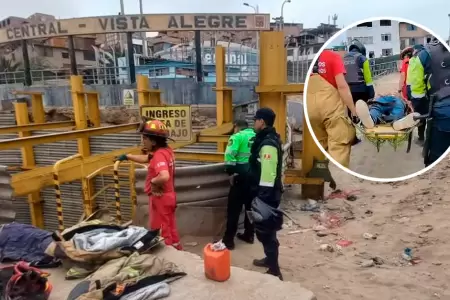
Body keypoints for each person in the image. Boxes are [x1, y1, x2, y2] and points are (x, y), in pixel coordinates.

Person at [116, 119, 182, 250]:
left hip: (160, 198)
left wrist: (153, 182)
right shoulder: (166, 151)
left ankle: (168, 256)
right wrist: (128, 156)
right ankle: (178, 252)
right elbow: (147, 158)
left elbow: (164, 176)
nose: (143, 141)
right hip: (169, 196)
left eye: (145, 138)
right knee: (170, 227)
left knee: (162, 230)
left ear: (153, 141)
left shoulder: (159, 155)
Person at [247, 107, 284, 280]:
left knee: (266, 230)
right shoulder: (266, 139)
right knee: (265, 230)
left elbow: (269, 174)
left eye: (255, 120)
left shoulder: (268, 143)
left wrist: (262, 198)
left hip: (267, 194)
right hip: (266, 192)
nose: (254, 123)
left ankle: (274, 270)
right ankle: (270, 260)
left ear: (262, 121)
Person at [307, 49, 357, 168]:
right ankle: (339, 180)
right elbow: (342, 86)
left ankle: (317, 180)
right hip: (330, 107)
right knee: (339, 142)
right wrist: (353, 110)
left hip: (310, 107)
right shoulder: (333, 57)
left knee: (318, 145)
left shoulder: (309, 58)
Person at [413, 38, 450, 166]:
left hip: (443, 109)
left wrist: (423, 112)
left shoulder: (425, 54)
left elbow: (417, 93)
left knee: (436, 159)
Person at [222, 120, 256, 250]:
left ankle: (229, 240)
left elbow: (230, 155)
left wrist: (230, 173)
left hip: (240, 177)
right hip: (254, 177)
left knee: (234, 210)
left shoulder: (237, 136)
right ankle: (250, 234)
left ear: (236, 127)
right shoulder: (256, 135)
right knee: (250, 208)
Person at [407, 44, 430, 145]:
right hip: (434, 92)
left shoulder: (415, 60)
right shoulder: (430, 55)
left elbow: (413, 80)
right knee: (432, 117)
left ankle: (421, 138)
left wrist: (410, 95)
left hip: (420, 94)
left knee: (420, 116)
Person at [355, 95, 419, 130]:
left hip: (380, 100)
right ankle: (396, 121)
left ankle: (371, 118)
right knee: (397, 112)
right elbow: (408, 107)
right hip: (398, 101)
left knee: (376, 109)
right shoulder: (401, 100)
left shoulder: (385, 95)